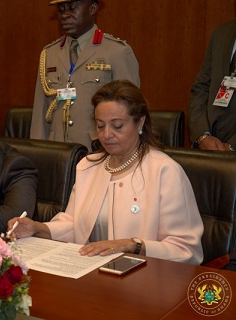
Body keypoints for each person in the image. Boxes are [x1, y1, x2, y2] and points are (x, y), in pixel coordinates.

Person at [11, 80, 204, 265]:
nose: (106, 134)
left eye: (117, 126)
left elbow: (187, 250)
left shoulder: (164, 171)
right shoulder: (89, 165)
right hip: (91, 272)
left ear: (140, 123)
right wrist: (38, 228)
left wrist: (132, 245)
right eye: (100, 125)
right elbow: (74, 224)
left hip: (144, 280)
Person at [30, 0, 139, 150]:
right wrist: (38, 153)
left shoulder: (117, 52)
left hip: (98, 150)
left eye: (72, 8)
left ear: (93, 8)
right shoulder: (49, 54)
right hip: (56, 152)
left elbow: (131, 112)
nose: (65, 15)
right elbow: (40, 117)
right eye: (61, 10)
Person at [189, 19, 236, 151]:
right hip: (209, 149)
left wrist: (232, 145)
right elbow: (201, 88)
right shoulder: (221, 34)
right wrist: (203, 135)